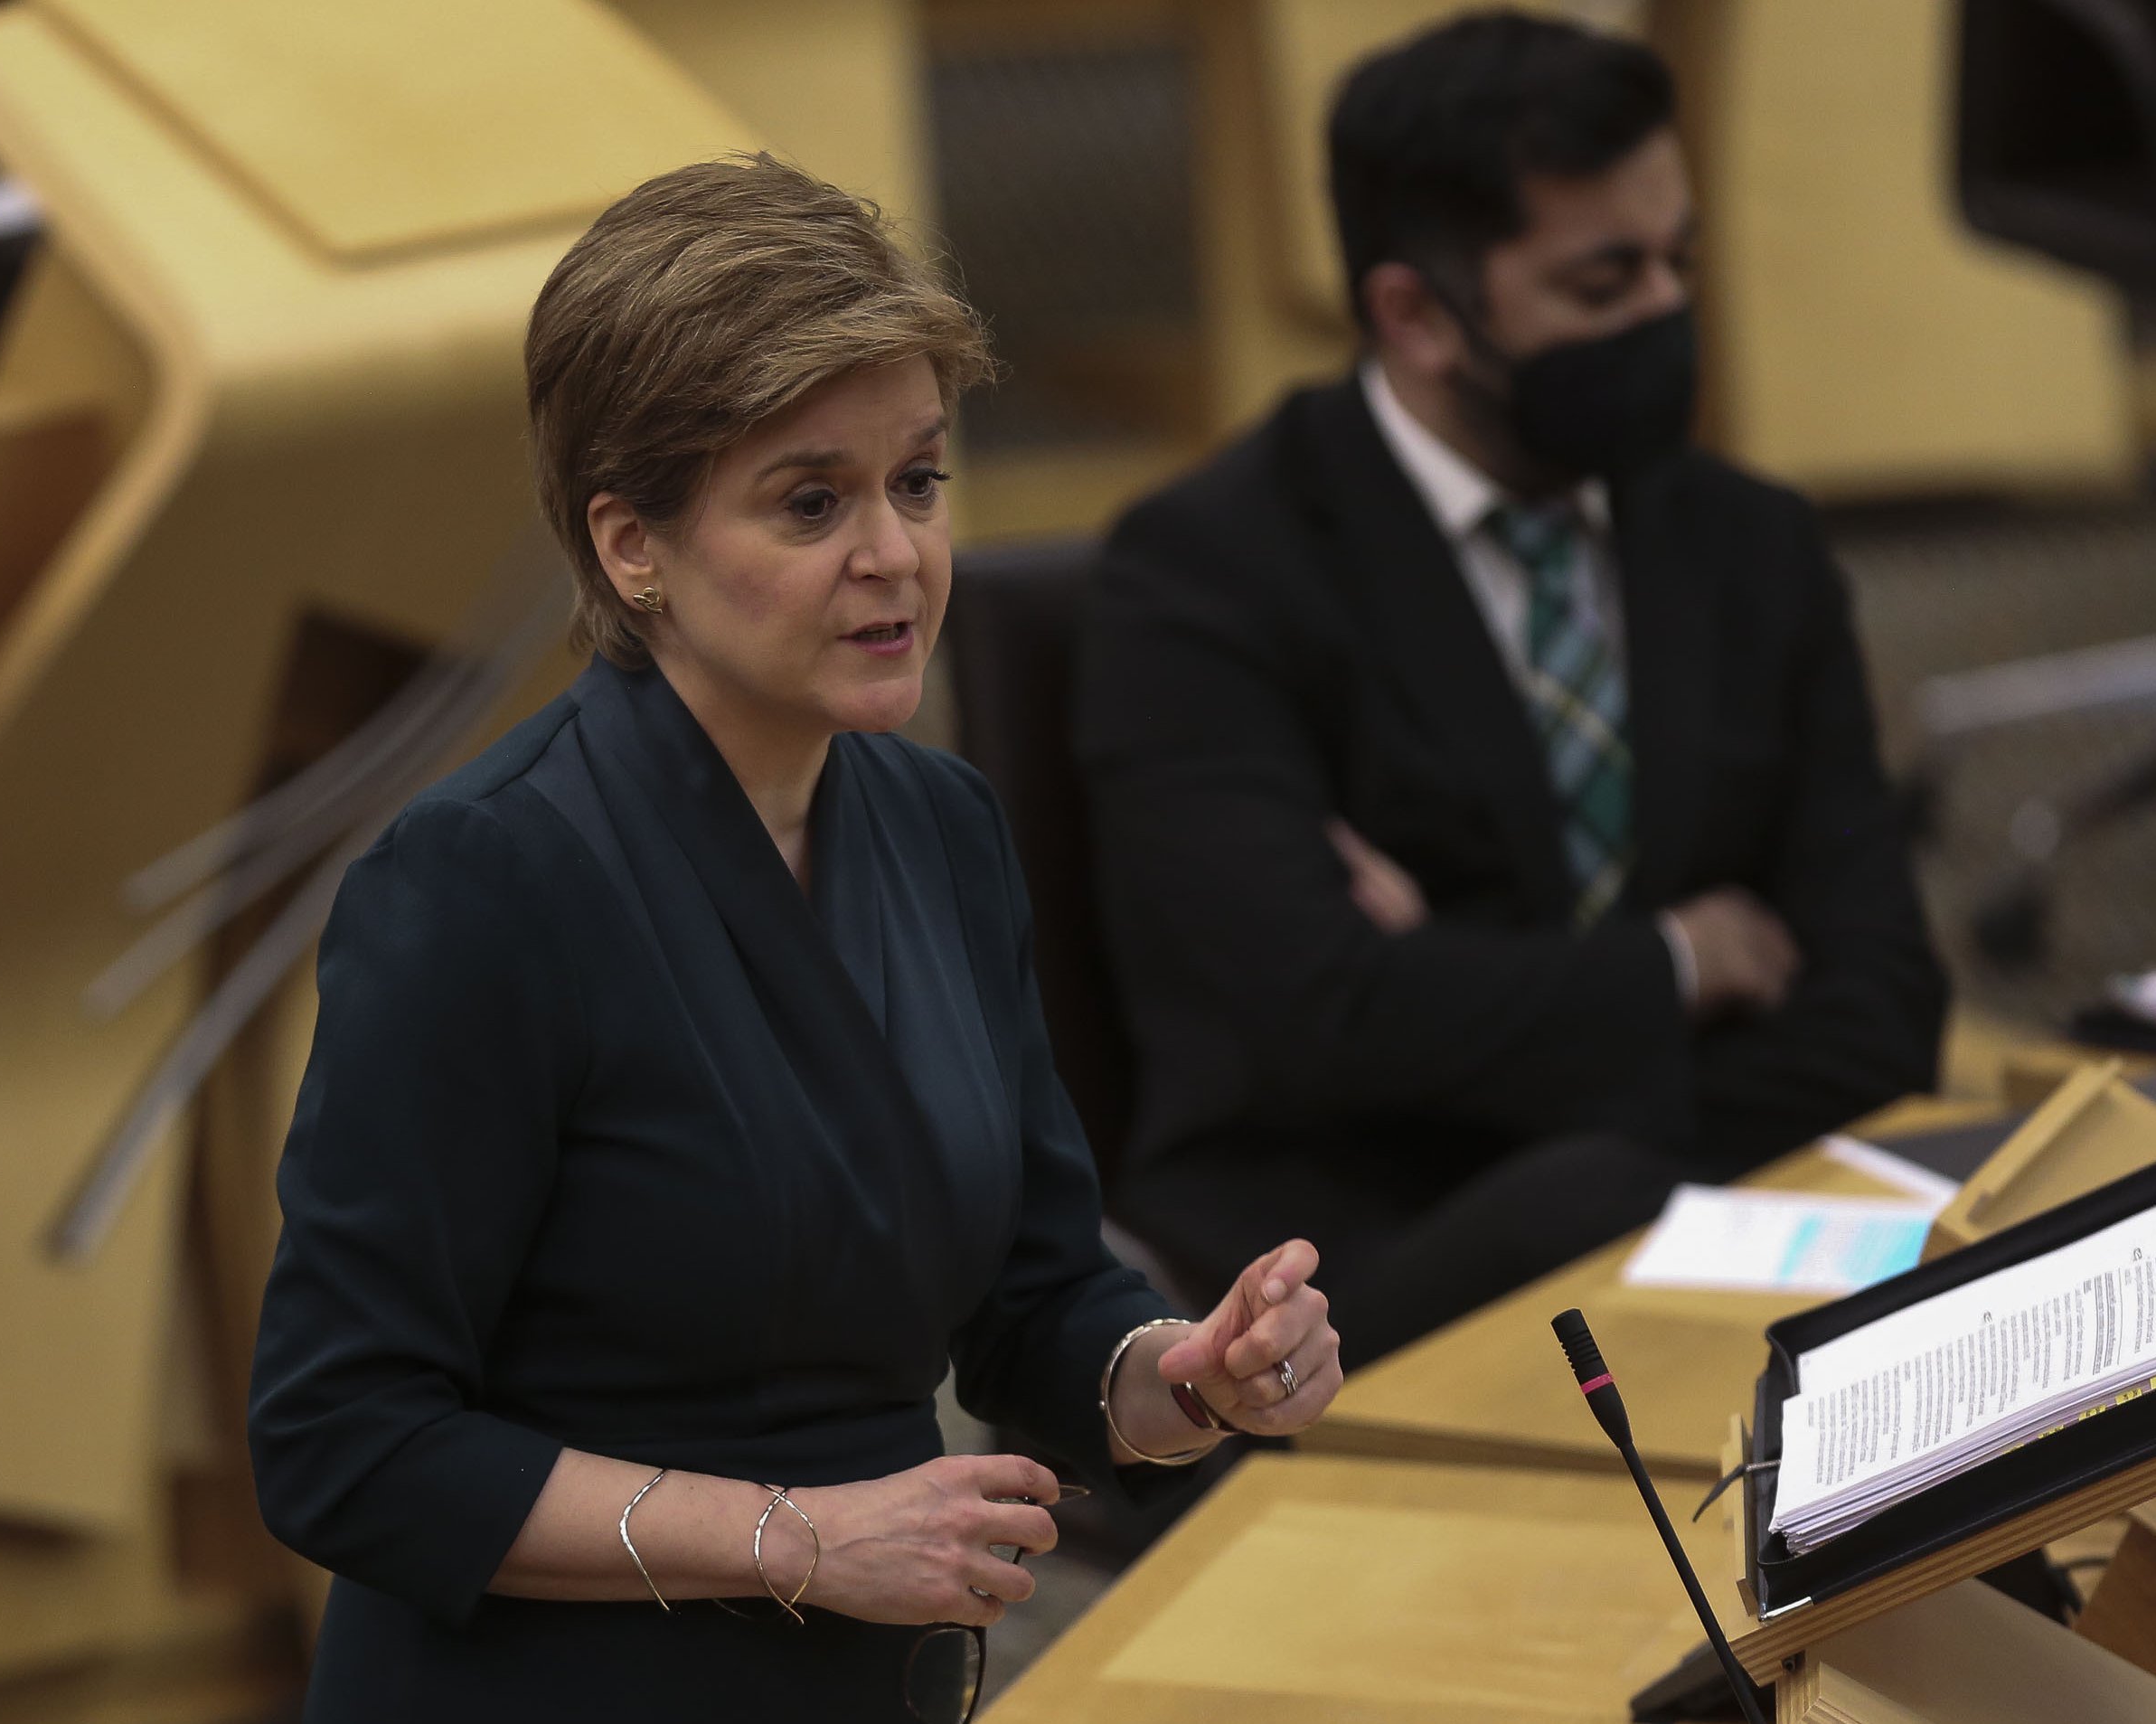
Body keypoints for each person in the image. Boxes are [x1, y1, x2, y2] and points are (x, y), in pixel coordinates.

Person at [246, 155, 1342, 1722]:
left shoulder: (941, 827)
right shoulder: (479, 885)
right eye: (812, 502)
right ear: (634, 548)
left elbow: (1033, 1301)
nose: (894, 552)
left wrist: (1185, 1378)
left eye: (919, 480)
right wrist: (792, 1539)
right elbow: (339, 1439)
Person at [1075, 14, 1945, 1367]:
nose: (1667, 313)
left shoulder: (1748, 541)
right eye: (1604, 286)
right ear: (1416, 315)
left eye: (1680, 262)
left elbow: (1883, 1003)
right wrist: (1681, 964)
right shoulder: (1204, 578)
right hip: (1332, 1273)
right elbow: (1314, 1028)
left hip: (1707, 1213)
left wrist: (1453, 982)